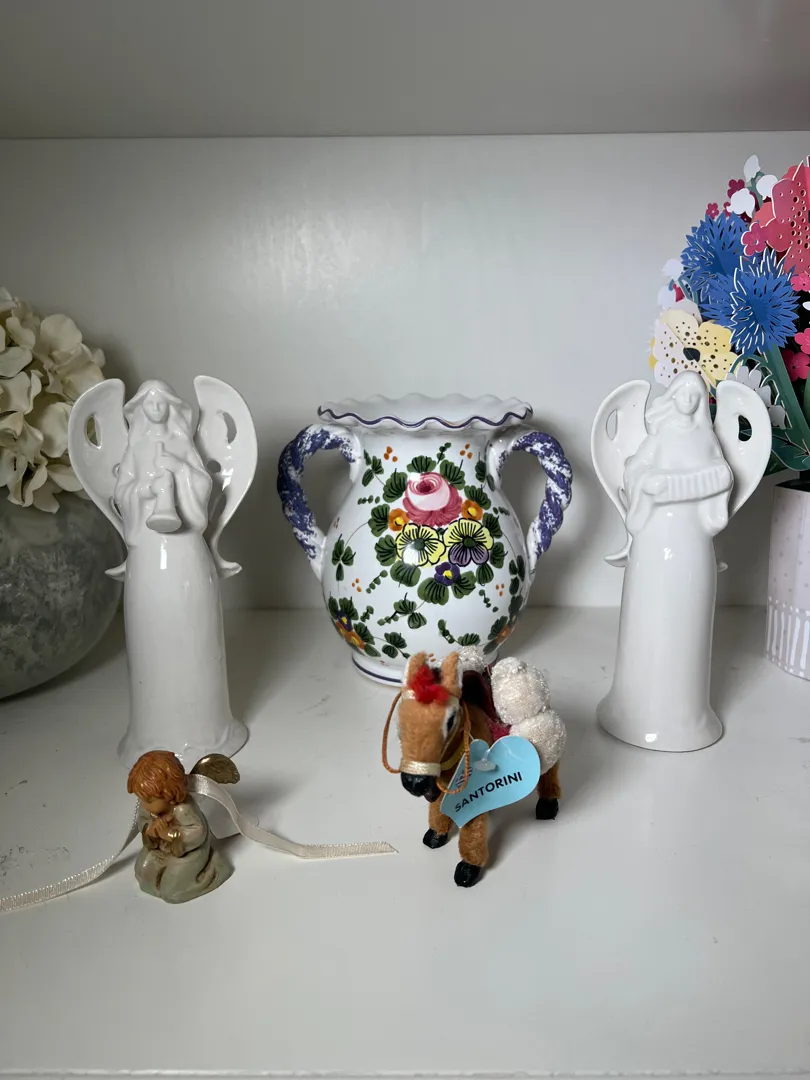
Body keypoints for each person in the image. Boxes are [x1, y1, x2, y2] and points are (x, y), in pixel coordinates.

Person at [127, 750, 232, 903]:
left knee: (171, 893)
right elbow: (143, 822)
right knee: (143, 876)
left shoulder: (183, 809)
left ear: (168, 794)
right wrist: (150, 831)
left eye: (149, 800)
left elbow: (199, 833)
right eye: (140, 798)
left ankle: (214, 868)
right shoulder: (147, 808)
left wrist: (170, 834)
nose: (143, 805)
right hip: (160, 849)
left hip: (190, 852)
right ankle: (163, 875)